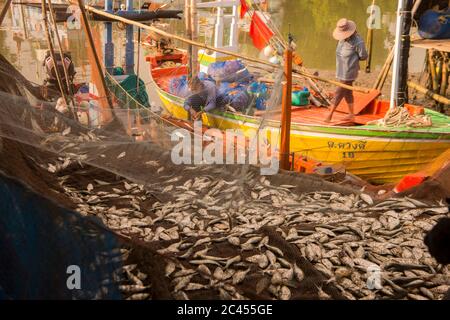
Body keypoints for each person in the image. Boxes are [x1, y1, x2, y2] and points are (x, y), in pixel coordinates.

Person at [325, 18, 368, 123]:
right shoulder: (342, 40)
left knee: (339, 92)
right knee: (347, 92)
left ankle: (330, 114)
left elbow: (364, 56)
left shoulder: (358, 41)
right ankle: (351, 115)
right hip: (340, 69)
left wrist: (353, 58)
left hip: (349, 71)